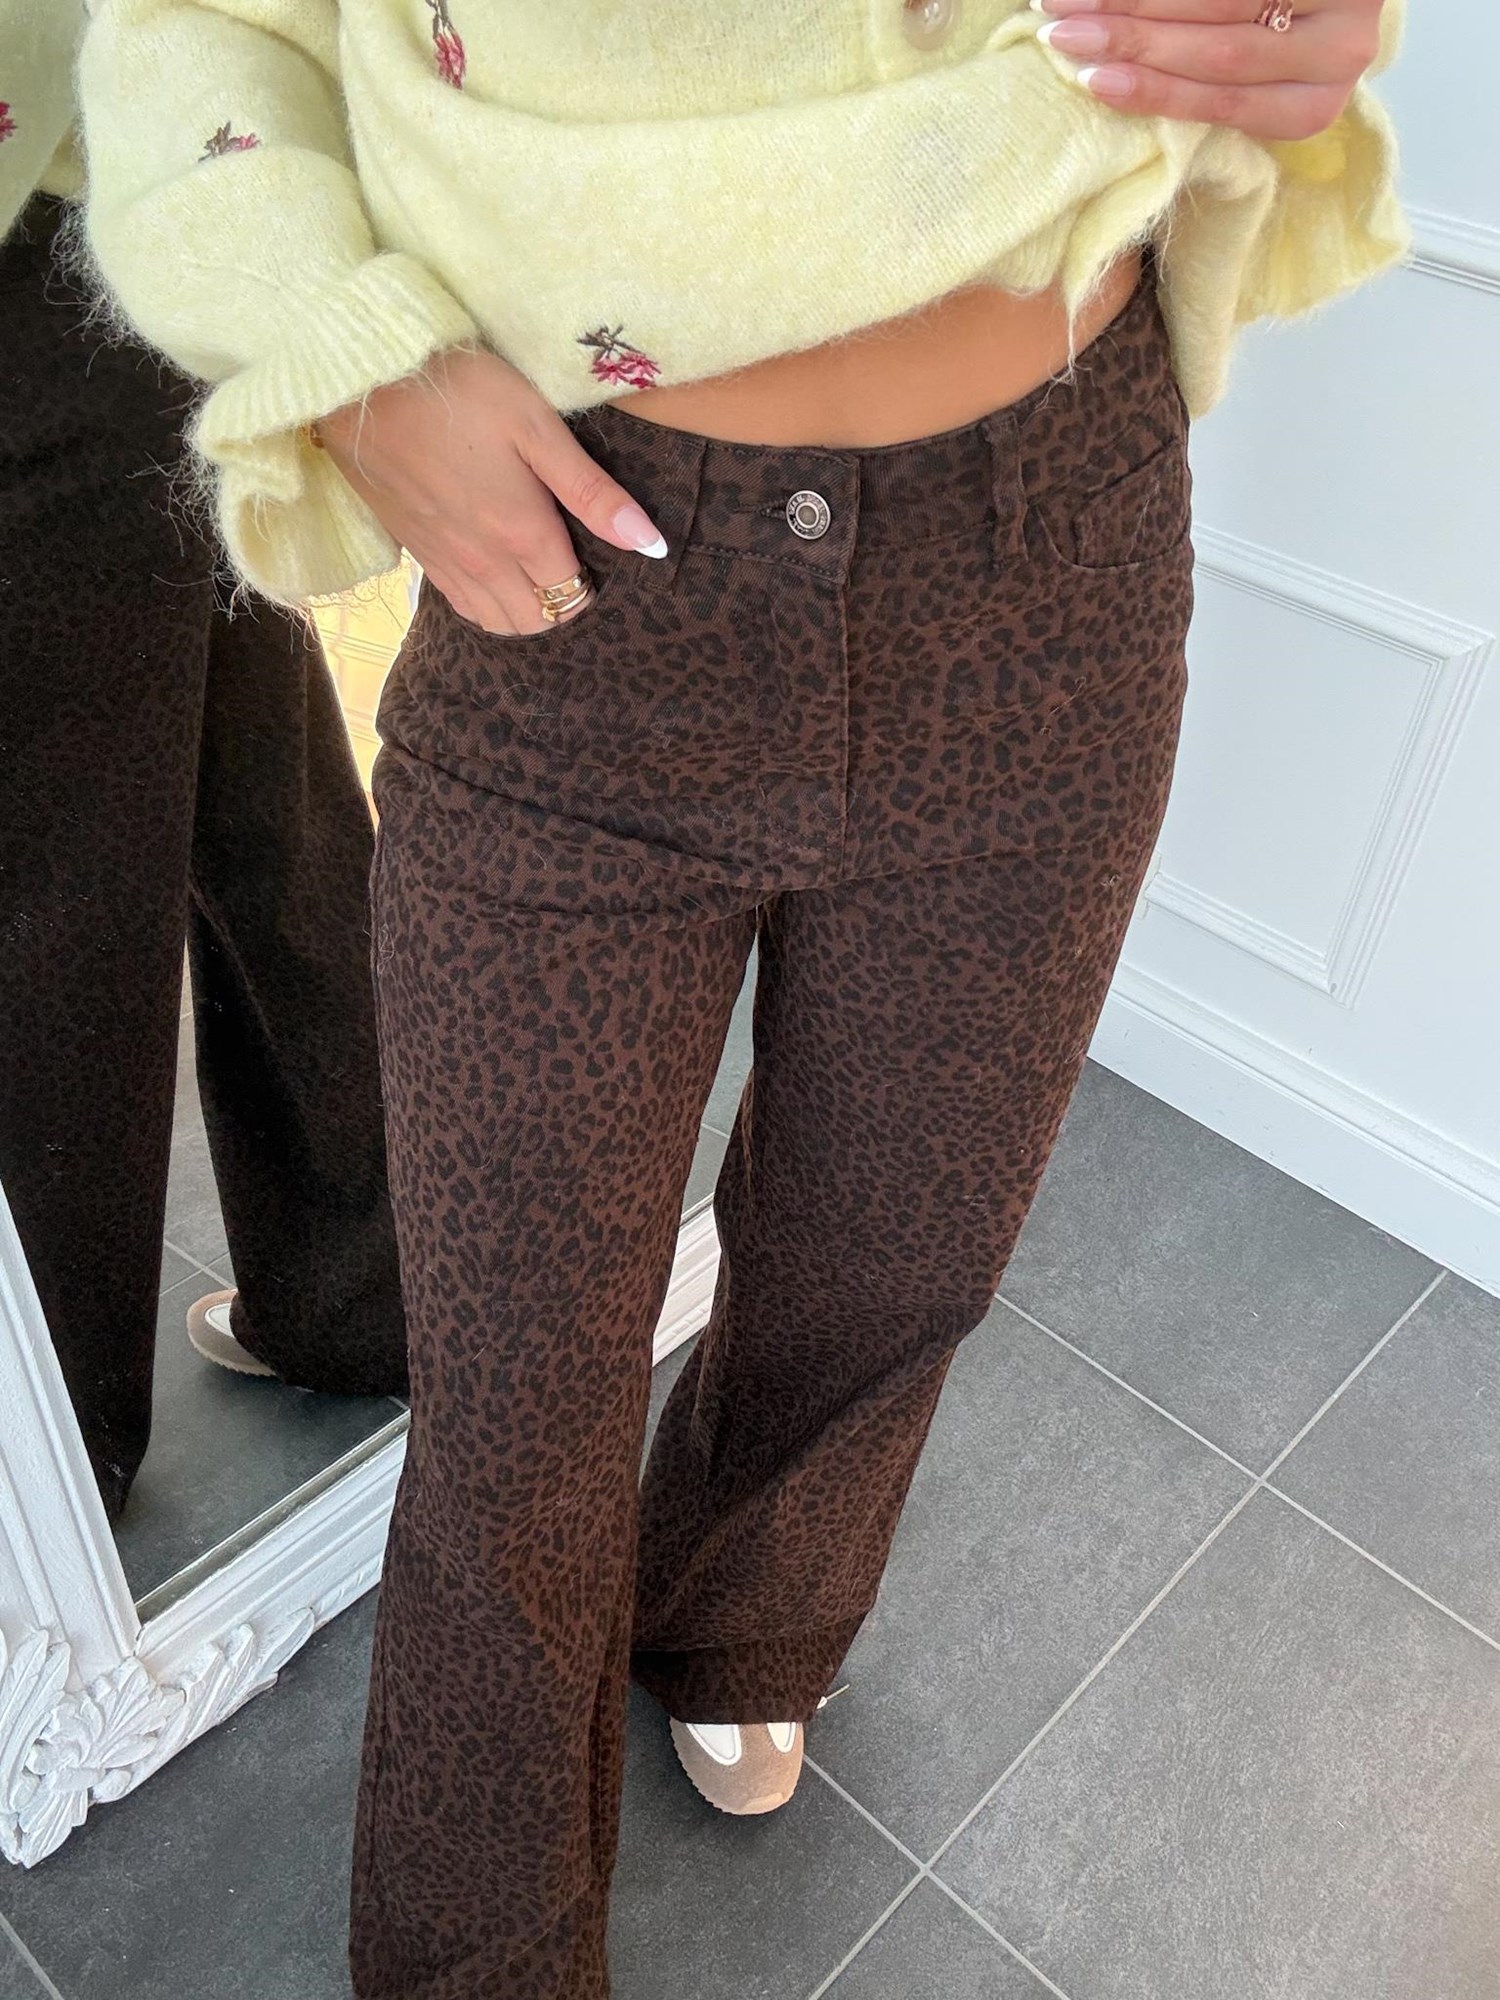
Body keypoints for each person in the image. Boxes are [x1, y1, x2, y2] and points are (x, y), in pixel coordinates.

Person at [74, 0, 1406, 1990]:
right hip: (576, 577)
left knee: (896, 1254)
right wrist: (350, 360)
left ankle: (739, 1611)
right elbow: (194, 26)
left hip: (1049, 552)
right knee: (517, 1389)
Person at [0, 10, 409, 1523]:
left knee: (60, 909)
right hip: (129, 173)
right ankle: (374, 1288)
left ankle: (61, 1453)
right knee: (256, 785)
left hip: (60, 227)